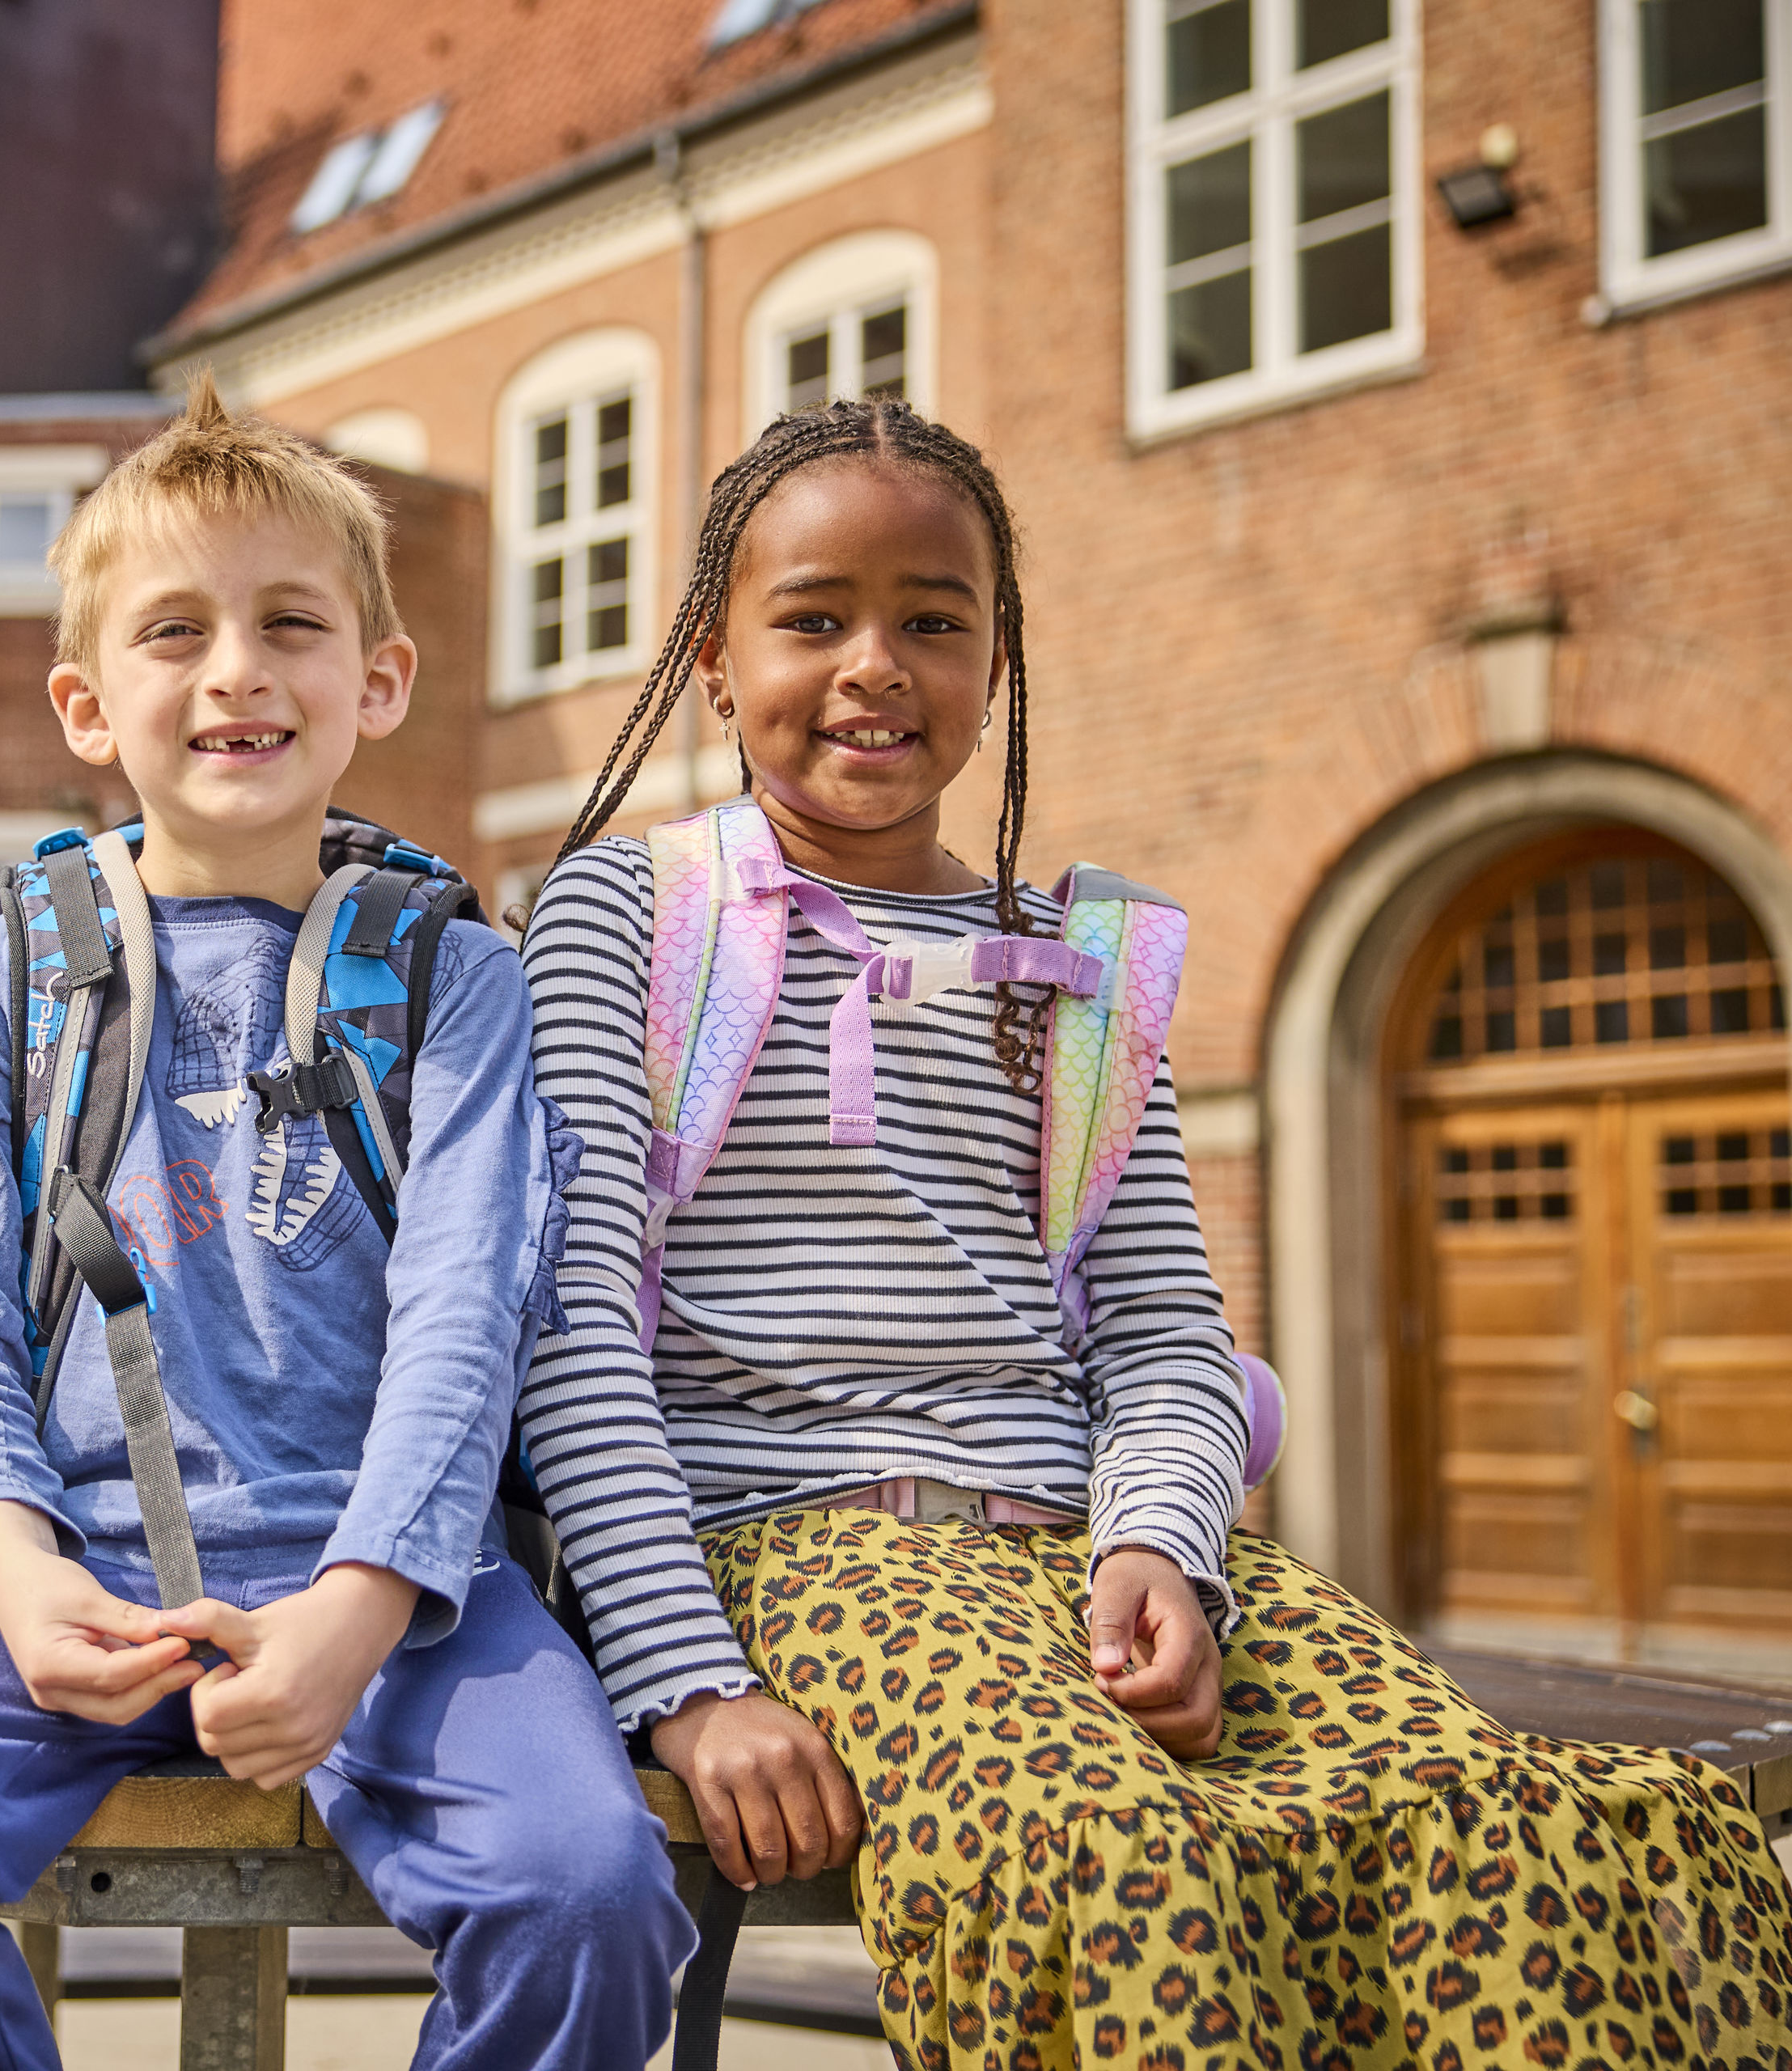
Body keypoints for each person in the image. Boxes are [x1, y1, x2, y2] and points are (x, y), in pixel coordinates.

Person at [520, 395, 1792, 2065]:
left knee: (1499, 1817)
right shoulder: (630, 911)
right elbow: (568, 1326)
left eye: (933, 620)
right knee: (1121, 1866)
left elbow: (1168, 1337)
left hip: (1077, 1546)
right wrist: (688, 1681)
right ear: (707, 655)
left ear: (999, 661)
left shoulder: (1091, 967)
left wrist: (1163, 1546)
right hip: (793, 1546)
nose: (875, 665)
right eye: (813, 616)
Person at [0, 379, 695, 2070]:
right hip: (68, 1570)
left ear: (377, 679)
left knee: (590, 1884)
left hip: (406, 1582)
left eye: (290, 622)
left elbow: (475, 1324)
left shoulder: (461, 978)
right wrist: (18, 1573)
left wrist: (362, 1602)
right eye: (176, 630)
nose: (236, 667)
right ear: (90, 704)